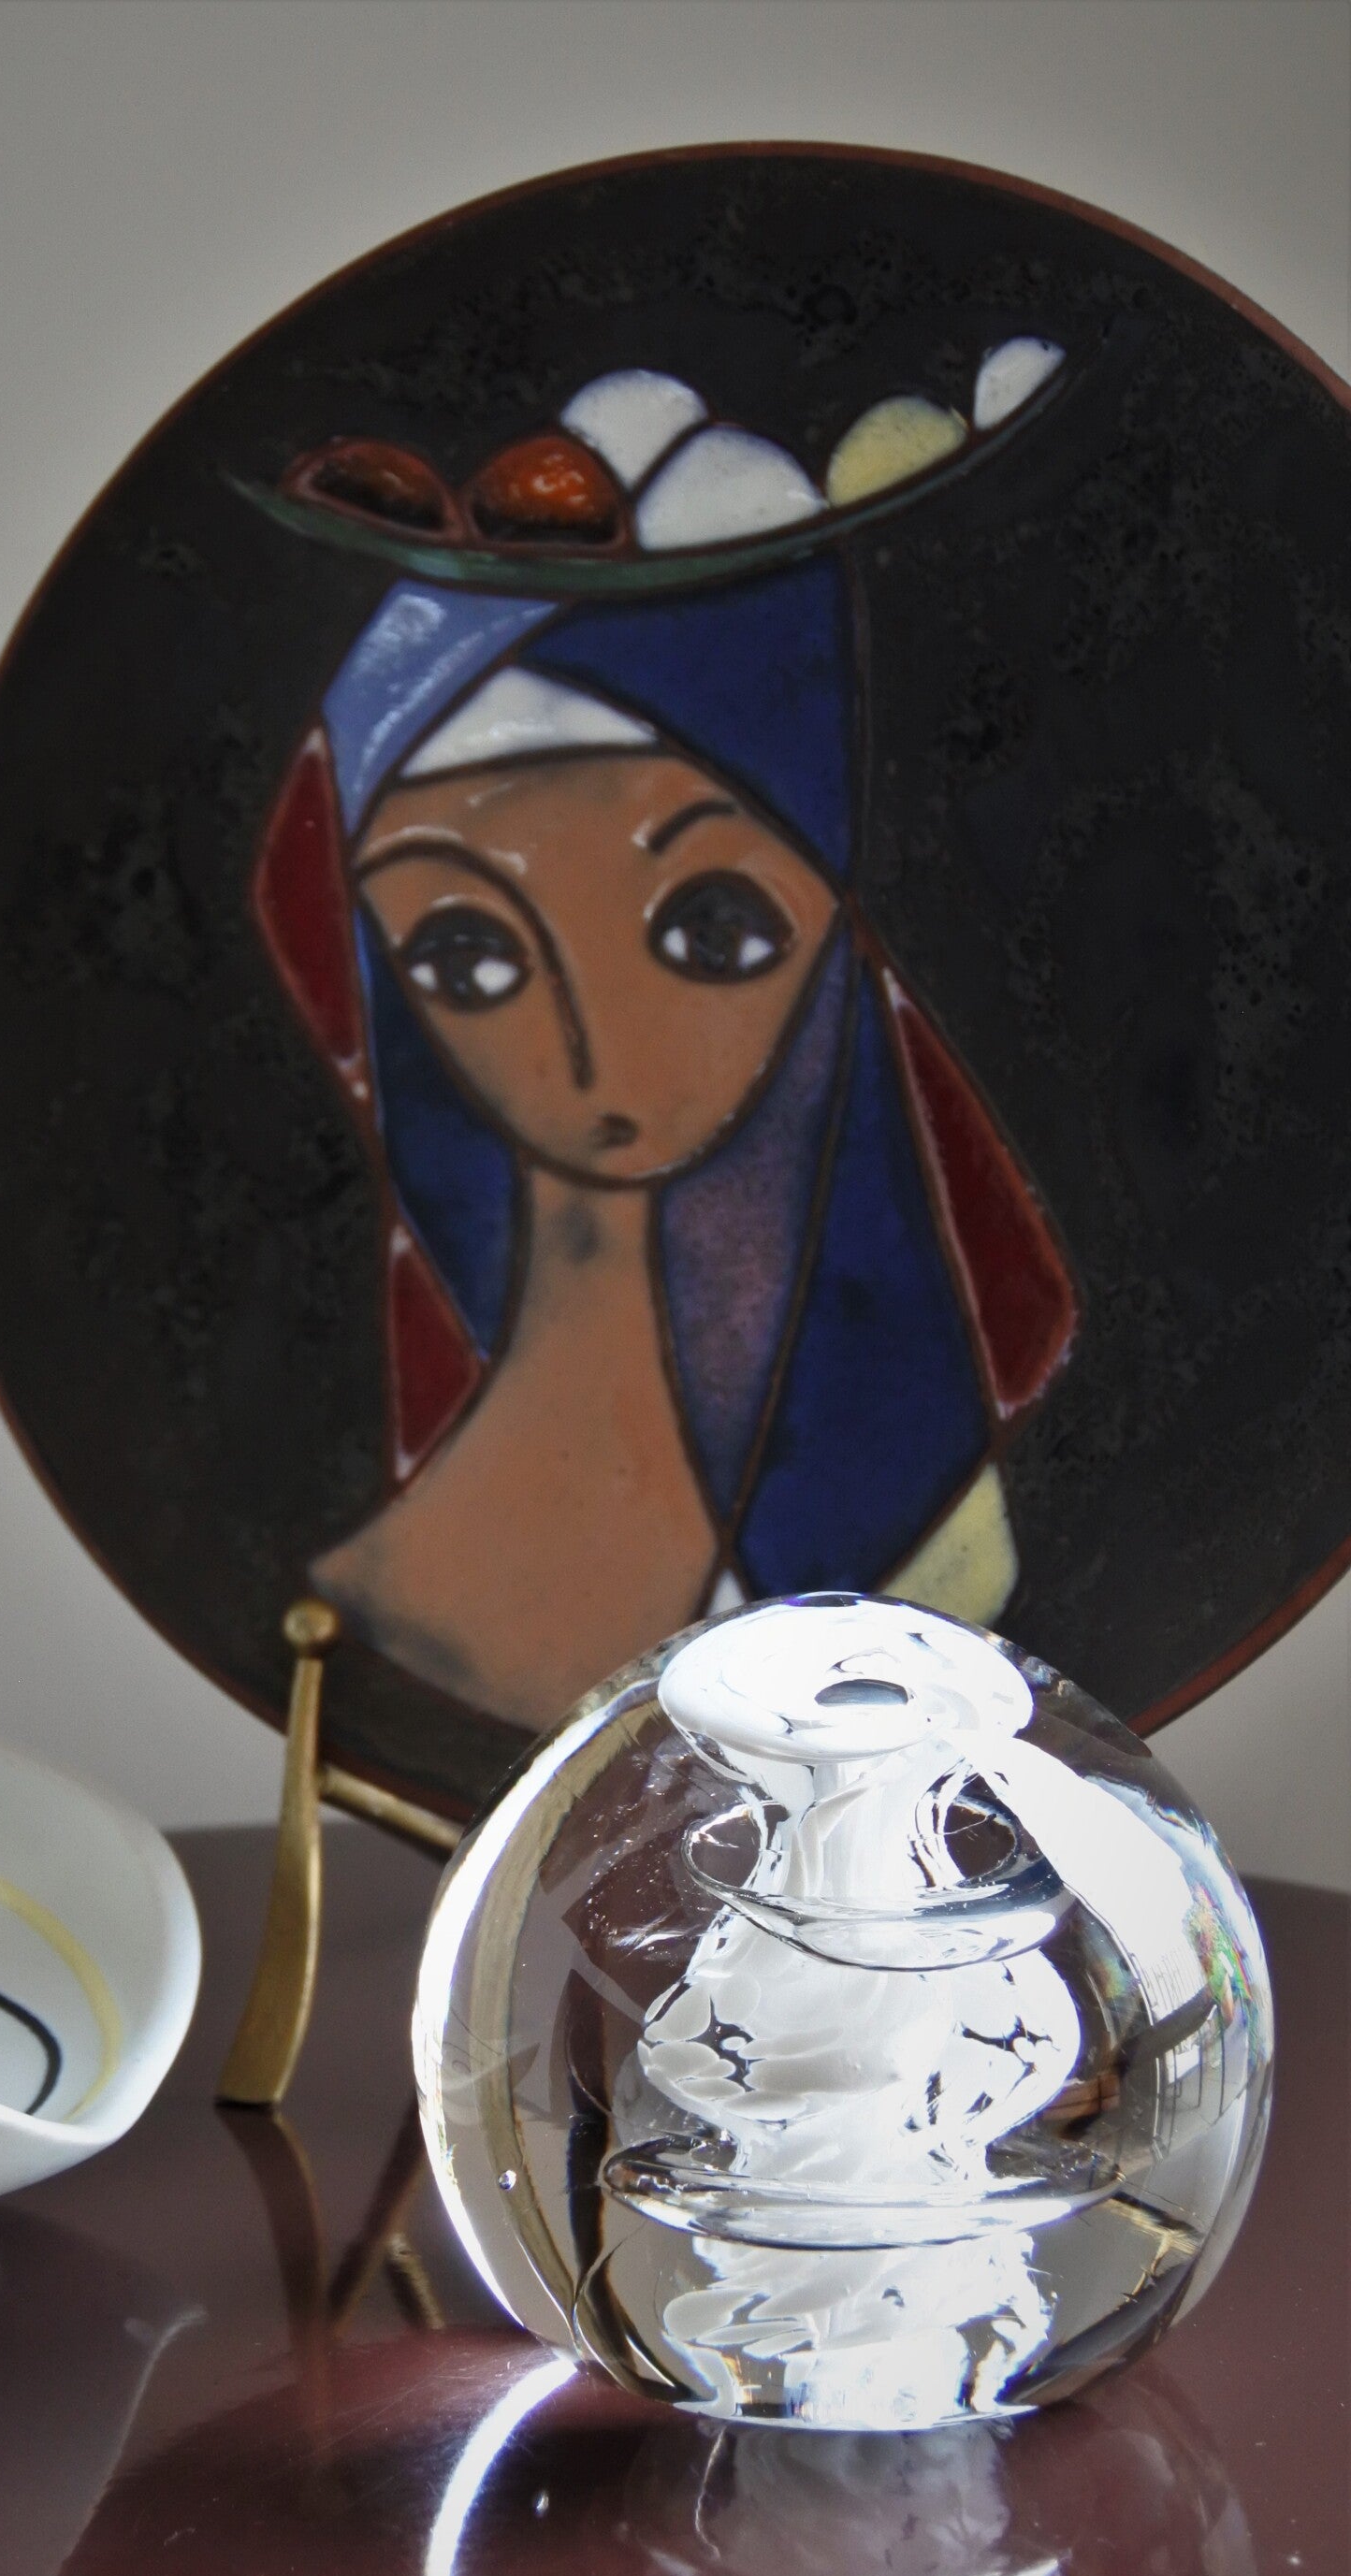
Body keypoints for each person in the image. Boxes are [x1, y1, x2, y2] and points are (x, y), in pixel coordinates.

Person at [249, 362, 1078, 1729]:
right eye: (467, 955)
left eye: (713, 930)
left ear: (836, 930)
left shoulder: (923, 1512)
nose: (596, 1062)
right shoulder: (410, 1579)